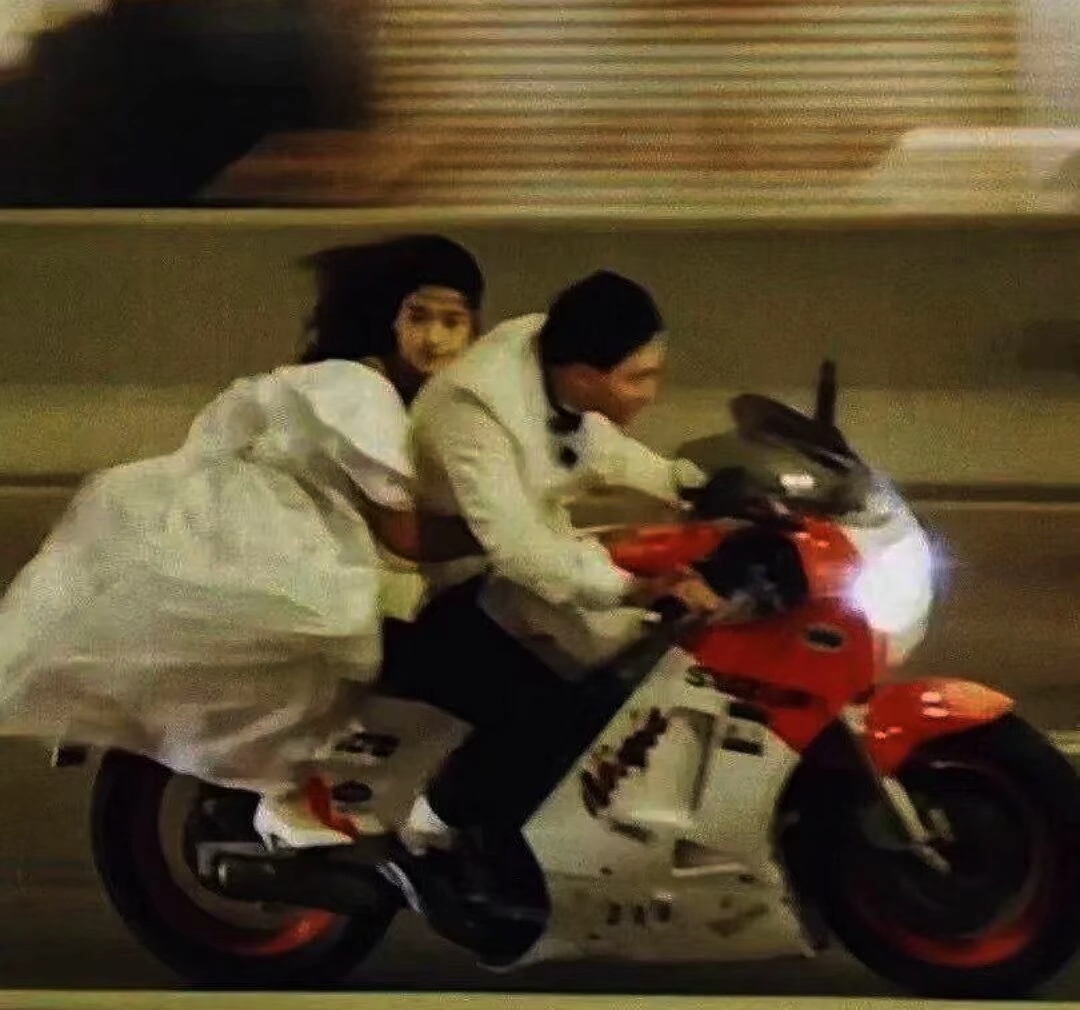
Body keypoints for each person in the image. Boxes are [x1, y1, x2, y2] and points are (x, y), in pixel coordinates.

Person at [0, 233, 485, 849]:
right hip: (268, 547)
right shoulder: (360, 393)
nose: (436, 338)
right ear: (386, 318)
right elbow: (408, 536)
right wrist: (517, 541)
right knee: (332, 652)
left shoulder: (397, 393)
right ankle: (292, 800)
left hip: (281, 535)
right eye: (418, 317)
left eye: (453, 321)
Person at [395, 270, 723, 902]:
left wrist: (689, 483)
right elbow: (516, 545)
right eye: (638, 378)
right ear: (584, 376)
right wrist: (631, 588)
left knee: (639, 661)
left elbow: (598, 449)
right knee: (561, 706)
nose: (650, 392)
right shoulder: (474, 409)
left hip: (527, 571)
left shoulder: (550, 362)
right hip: (455, 586)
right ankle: (438, 834)